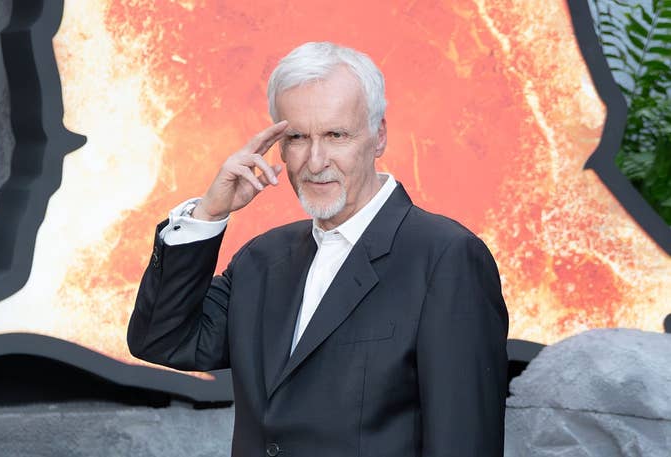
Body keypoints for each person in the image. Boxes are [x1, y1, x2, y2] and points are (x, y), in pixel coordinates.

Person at [128, 41, 509, 457]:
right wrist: (208, 213)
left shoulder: (447, 258)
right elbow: (162, 339)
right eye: (297, 138)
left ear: (379, 136)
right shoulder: (262, 260)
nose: (315, 161)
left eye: (336, 135)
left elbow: (463, 441)